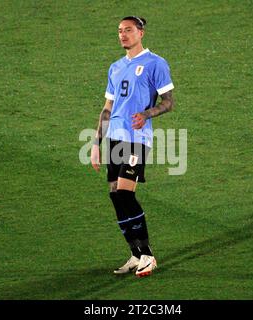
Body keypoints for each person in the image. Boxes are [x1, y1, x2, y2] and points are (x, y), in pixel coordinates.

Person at [90, 16, 174, 277]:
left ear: (141, 33)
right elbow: (107, 109)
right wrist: (96, 144)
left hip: (137, 139)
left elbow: (168, 101)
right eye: (119, 31)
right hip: (114, 137)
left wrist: (147, 114)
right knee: (115, 195)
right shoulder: (115, 67)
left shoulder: (155, 63)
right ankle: (136, 255)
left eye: (128, 30)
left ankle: (148, 254)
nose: (122, 35)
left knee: (125, 193)